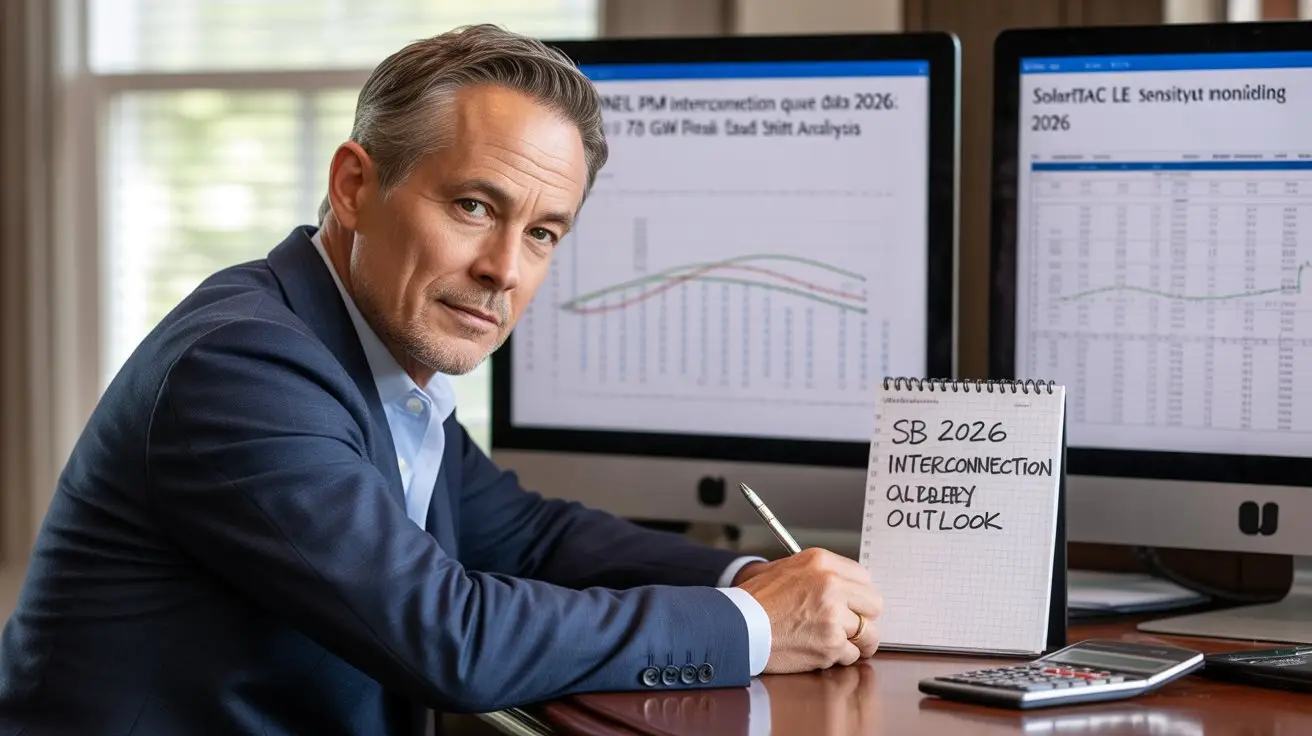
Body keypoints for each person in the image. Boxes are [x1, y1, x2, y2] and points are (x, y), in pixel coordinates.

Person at [0, 24, 883, 735]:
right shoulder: (244, 368)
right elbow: (449, 637)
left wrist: (760, 576)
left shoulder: (366, 360)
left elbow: (530, 539)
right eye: (474, 206)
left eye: (543, 233)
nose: (505, 267)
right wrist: (758, 626)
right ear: (354, 186)